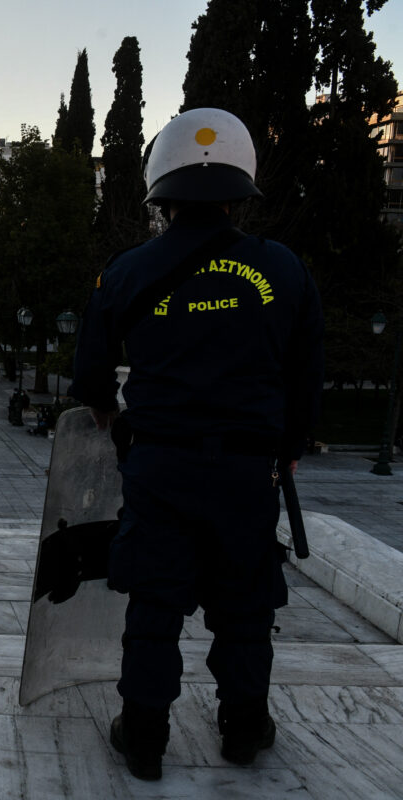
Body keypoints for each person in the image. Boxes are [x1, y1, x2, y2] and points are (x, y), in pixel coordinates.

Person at [68, 108, 323, 781]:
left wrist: (114, 422)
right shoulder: (286, 271)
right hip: (248, 472)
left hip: (160, 465)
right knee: (245, 606)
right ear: (242, 189)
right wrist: (289, 445)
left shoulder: (125, 272)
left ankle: (145, 736)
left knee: (154, 603)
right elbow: (305, 377)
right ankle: (244, 730)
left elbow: (90, 375)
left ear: (162, 188)